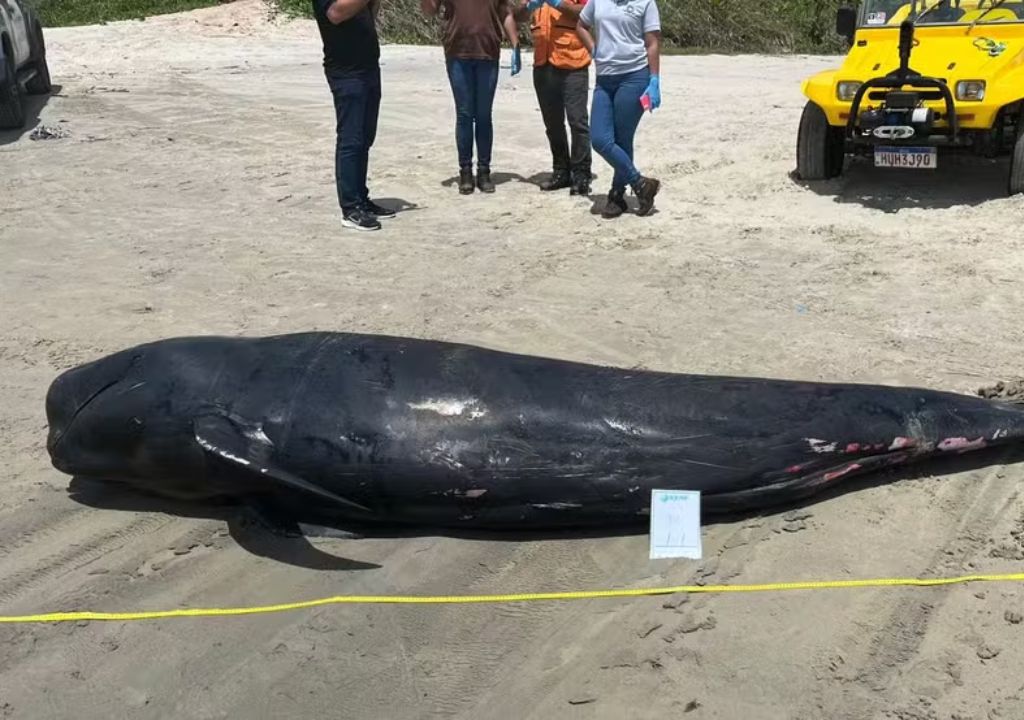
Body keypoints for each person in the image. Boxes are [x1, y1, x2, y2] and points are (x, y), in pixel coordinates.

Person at [422, 0, 522, 194]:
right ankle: (465, 171)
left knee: (484, 115)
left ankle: (484, 171)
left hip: (488, 52)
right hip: (457, 53)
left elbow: (505, 12)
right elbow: (430, 11)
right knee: (465, 114)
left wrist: (515, 44)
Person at [576, 0, 662, 218]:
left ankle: (616, 196)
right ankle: (641, 183)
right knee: (600, 139)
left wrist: (654, 79)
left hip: (634, 76)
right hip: (604, 79)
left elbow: (652, 42)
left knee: (623, 139)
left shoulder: (646, 3)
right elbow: (580, 25)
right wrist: (594, 49)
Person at [313, 0, 393, 232]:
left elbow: (369, 13)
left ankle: (361, 199)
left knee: (365, 137)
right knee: (351, 138)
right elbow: (336, 13)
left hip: (368, 66)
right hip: (346, 72)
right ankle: (350, 208)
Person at [515, 0, 593, 195]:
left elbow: (587, 13)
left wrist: (558, 3)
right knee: (552, 124)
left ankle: (582, 173)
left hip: (573, 63)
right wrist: (527, 8)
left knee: (578, 122)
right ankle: (561, 171)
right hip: (543, 63)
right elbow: (517, 16)